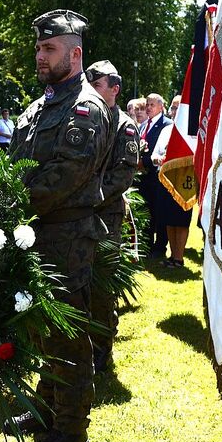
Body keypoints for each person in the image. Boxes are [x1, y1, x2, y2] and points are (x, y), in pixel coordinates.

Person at [8, 9, 111, 442]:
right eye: (38, 48)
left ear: (75, 53)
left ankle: (69, 433)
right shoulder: (41, 106)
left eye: (49, 49)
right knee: (44, 332)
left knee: (68, 337)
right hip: (37, 234)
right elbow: (15, 164)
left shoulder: (85, 109)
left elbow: (66, 175)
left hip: (68, 236)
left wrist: (12, 204)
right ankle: (46, 410)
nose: (40, 56)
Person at [86, 60, 140, 372]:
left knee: (103, 285)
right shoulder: (87, 120)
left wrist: (90, 197)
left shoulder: (123, 126)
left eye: (97, 86)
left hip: (106, 215)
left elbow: (123, 176)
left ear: (114, 89)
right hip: (79, 214)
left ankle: (101, 352)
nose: (90, 91)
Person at [150, 118, 191, 267]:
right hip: (165, 178)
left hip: (183, 181)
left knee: (180, 220)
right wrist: (158, 159)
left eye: (177, 108)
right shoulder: (166, 130)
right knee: (168, 218)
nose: (175, 112)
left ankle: (179, 258)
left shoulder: (191, 131)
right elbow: (155, 154)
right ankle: (172, 256)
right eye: (173, 108)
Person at [139, 93, 171, 258]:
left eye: (152, 104)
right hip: (143, 178)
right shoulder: (143, 125)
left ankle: (160, 247)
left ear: (161, 106)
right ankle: (146, 244)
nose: (148, 108)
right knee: (146, 211)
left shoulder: (167, 125)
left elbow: (164, 151)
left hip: (157, 176)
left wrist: (145, 162)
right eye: (147, 104)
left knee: (159, 213)